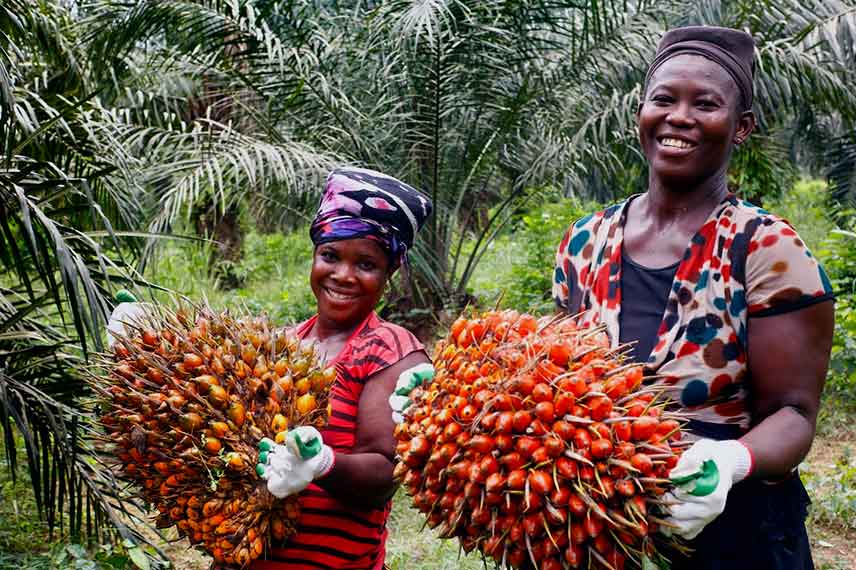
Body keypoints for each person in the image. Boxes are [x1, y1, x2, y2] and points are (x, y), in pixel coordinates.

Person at [552, 26, 834, 569]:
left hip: (737, 532)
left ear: (741, 127)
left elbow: (795, 414)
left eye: (705, 104)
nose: (679, 117)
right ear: (641, 112)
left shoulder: (765, 249)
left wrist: (730, 460)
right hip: (605, 525)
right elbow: (562, 388)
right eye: (664, 99)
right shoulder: (584, 243)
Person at [108, 167, 435, 570]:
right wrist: (143, 343)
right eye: (330, 256)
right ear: (315, 256)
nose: (343, 276)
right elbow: (204, 423)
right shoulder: (281, 342)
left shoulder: (391, 352)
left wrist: (321, 464)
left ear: (390, 272)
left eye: (366, 264)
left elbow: (385, 474)